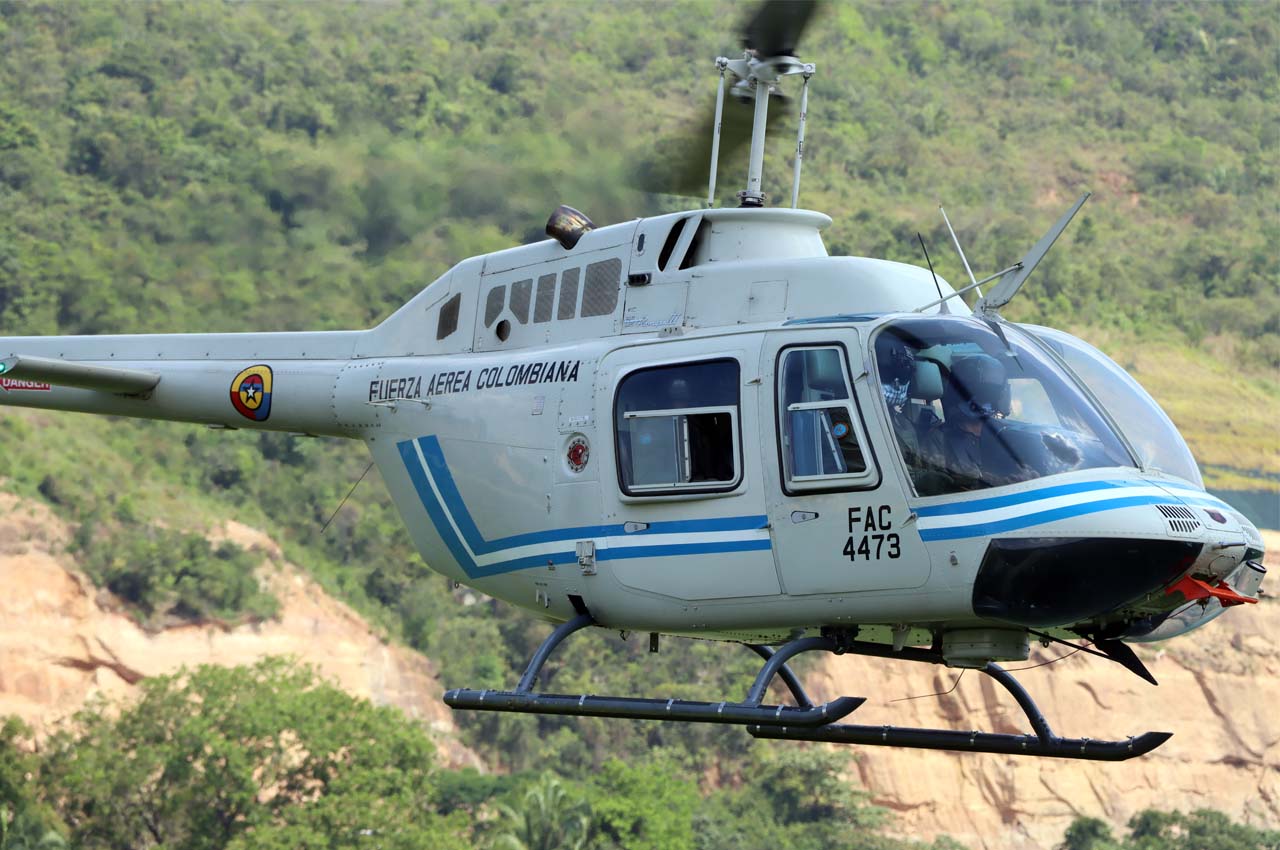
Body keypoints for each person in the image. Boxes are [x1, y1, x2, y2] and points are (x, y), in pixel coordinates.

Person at [922, 354, 1009, 488]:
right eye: (980, 394)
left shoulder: (1004, 434)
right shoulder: (940, 438)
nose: (984, 401)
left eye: (989, 394)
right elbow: (934, 488)